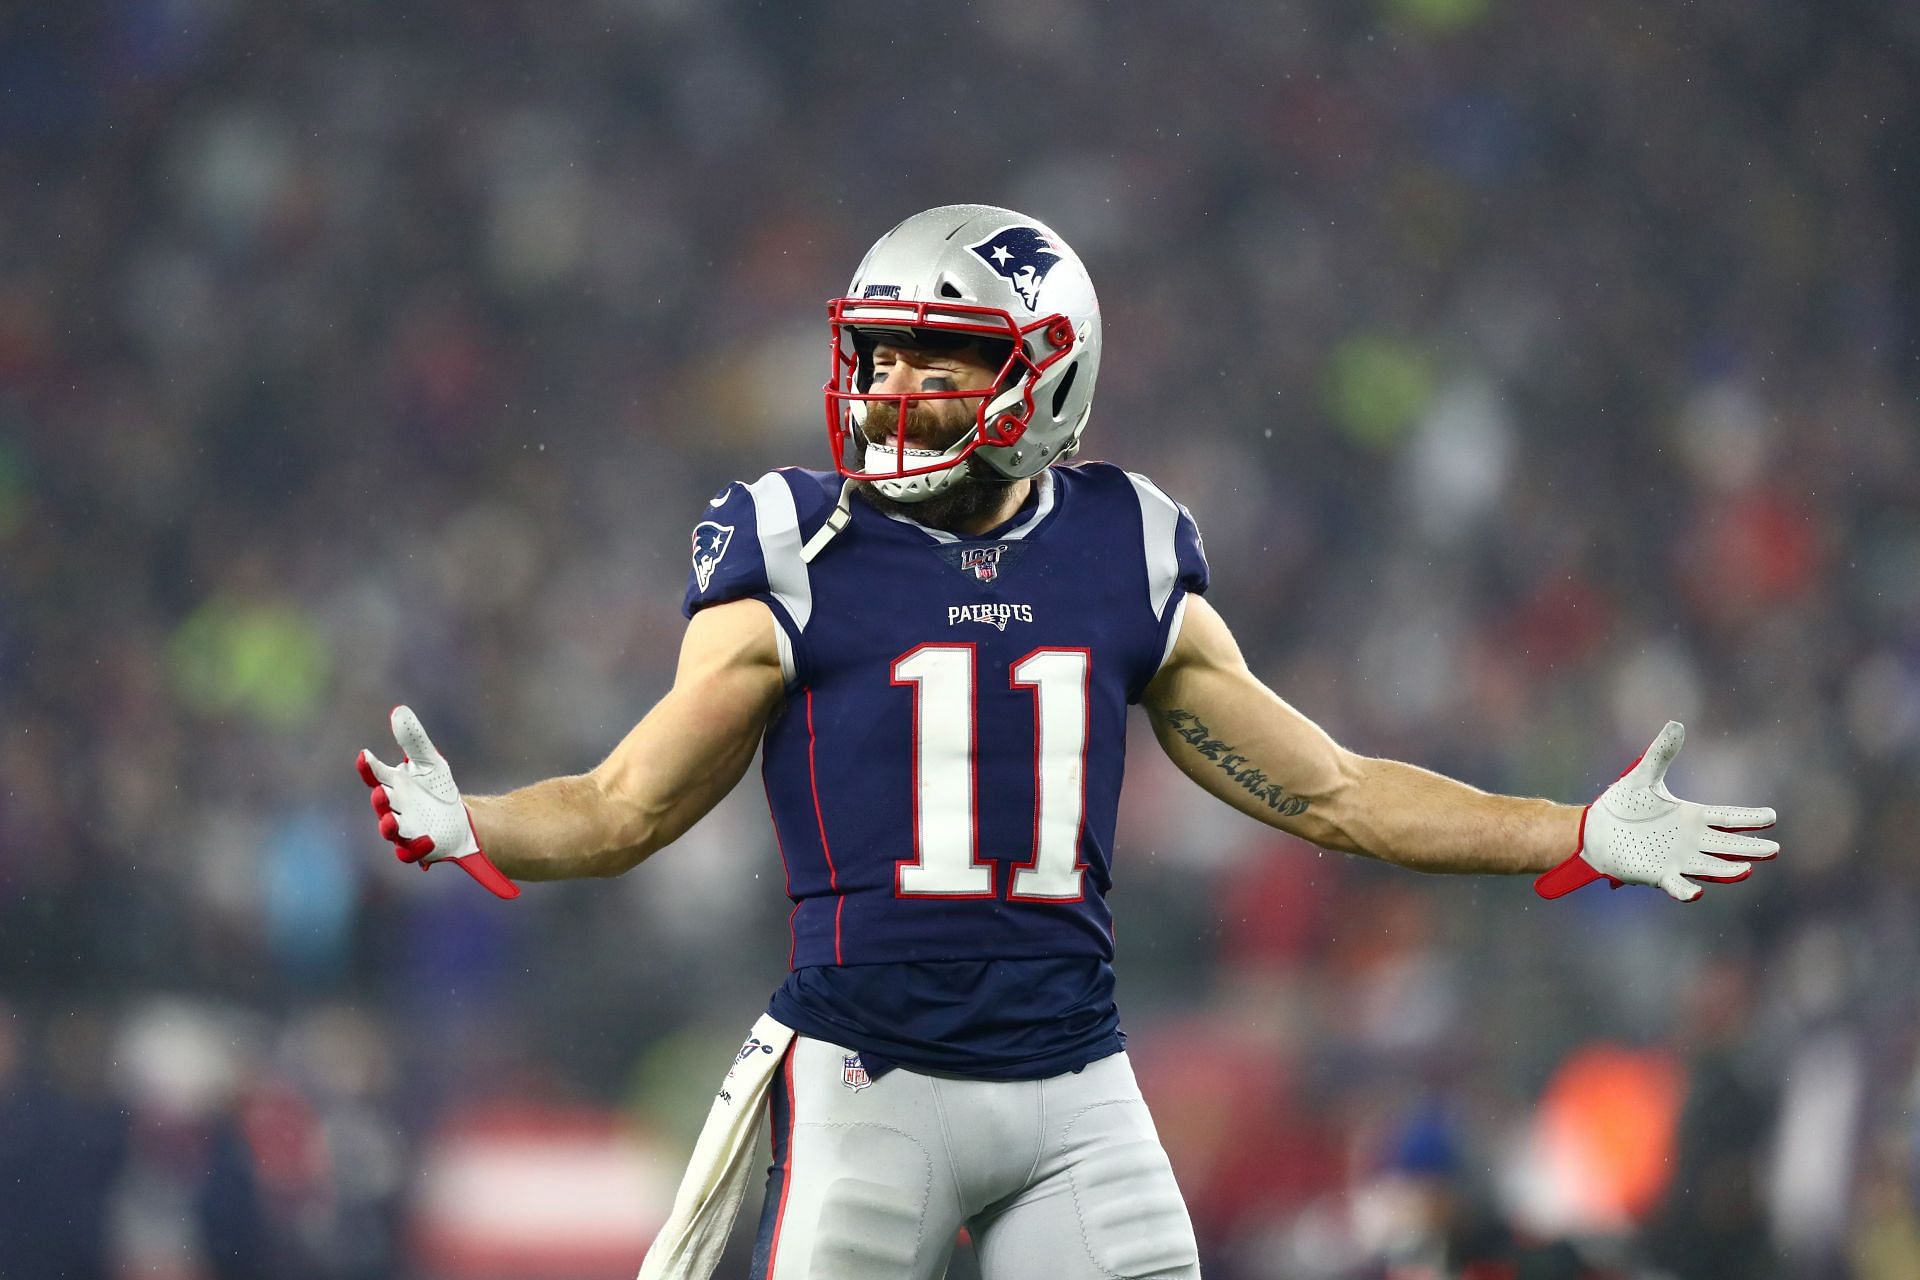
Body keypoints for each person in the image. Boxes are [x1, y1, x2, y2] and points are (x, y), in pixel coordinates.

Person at [356, 204, 1780, 1280]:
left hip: (1075, 1091)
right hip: (869, 1083)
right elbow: (623, 803)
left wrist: (1572, 834)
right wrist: (476, 821)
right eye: (883, 350)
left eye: (943, 356)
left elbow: (1332, 788)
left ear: (1046, 380)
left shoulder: (1127, 546)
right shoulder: (798, 543)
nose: (894, 387)